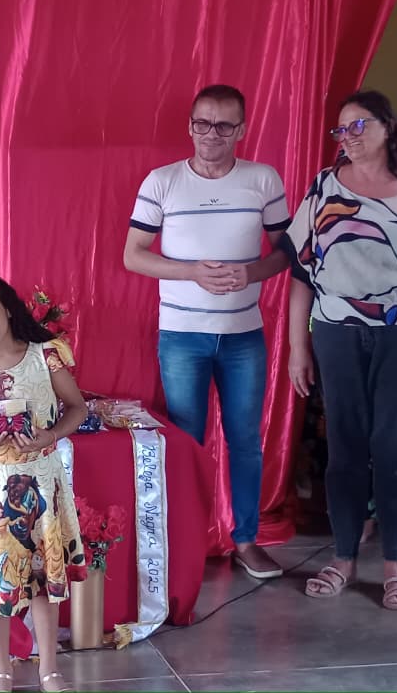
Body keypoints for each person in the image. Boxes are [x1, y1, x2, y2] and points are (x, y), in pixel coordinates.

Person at [282, 90, 397, 610]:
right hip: (336, 332)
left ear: (388, 126)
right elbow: (300, 274)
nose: (349, 137)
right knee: (344, 448)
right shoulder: (324, 187)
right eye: (341, 129)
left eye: (359, 125)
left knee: (394, 449)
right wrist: (298, 347)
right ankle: (342, 557)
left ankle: (394, 565)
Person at [122, 84, 290, 579]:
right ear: (189, 126)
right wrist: (192, 271)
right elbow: (133, 255)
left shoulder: (262, 179)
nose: (211, 134)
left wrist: (252, 272)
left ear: (241, 130)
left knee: (245, 440)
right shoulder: (163, 181)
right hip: (182, 335)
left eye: (223, 125)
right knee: (186, 441)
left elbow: (287, 252)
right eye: (202, 123)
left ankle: (246, 540)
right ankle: (185, 541)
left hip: (243, 335)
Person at [0, 272, 88, 693]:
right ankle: (1, 671)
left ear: (7, 309)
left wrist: (50, 435)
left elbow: (77, 408)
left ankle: (50, 670)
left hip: (43, 482)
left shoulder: (45, 356)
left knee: (43, 582)